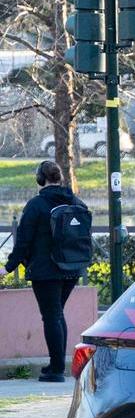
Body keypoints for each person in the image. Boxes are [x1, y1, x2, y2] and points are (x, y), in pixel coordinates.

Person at [3, 161, 89, 382]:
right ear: (59, 178)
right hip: (71, 268)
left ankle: (57, 370)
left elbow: (23, 242)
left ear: (40, 179)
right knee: (57, 314)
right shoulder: (76, 201)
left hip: (46, 271)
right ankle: (56, 365)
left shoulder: (36, 205)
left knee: (52, 316)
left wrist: (7, 267)